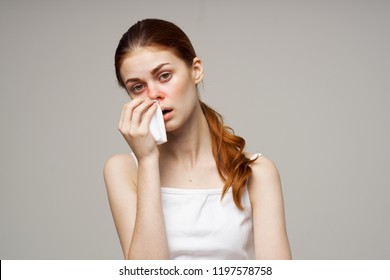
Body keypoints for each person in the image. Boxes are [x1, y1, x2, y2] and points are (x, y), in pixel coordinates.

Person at [104, 18, 292, 260]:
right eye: (138, 87)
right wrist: (148, 159)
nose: (153, 95)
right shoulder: (124, 170)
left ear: (196, 70)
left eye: (164, 76)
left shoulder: (256, 172)